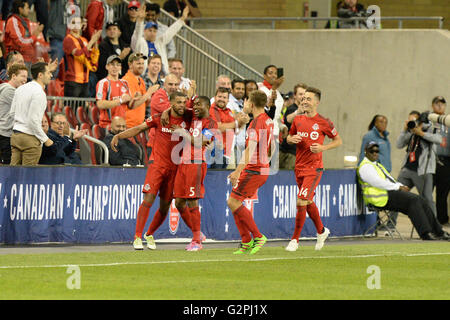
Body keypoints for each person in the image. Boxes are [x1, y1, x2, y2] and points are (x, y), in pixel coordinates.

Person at [110, 92, 192, 250]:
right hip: (157, 165)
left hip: (175, 168)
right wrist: (119, 135)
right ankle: (137, 237)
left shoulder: (187, 119)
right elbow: (140, 128)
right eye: (179, 102)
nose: (182, 105)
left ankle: (149, 234)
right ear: (171, 103)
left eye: (184, 102)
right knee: (148, 199)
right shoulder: (160, 117)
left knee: (165, 206)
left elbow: (199, 111)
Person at [285, 87, 342, 251]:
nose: (304, 101)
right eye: (303, 99)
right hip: (299, 167)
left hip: (314, 168)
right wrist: (291, 139)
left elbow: (338, 140)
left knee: (301, 200)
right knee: (308, 201)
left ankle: (294, 240)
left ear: (317, 102)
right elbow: (289, 137)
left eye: (308, 99)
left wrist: (323, 148)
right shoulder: (298, 120)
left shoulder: (324, 122)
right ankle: (322, 231)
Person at [357, 141, 449, 241]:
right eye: (372, 151)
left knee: (420, 200)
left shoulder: (376, 165)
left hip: (387, 195)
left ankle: (438, 232)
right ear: (366, 151)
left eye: (377, 151)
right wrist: (398, 187)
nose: (375, 153)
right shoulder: (365, 167)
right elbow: (377, 183)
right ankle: (426, 233)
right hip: (381, 199)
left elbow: (388, 180)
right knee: (413, 200)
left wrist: (400, 186)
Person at [227, 90, 275, 254]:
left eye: (246, 102)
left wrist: (237, 171)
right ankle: (246, 241)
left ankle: (257, 236)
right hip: (261, 168)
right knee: (234, 201)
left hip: (254, 169)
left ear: (252, 104)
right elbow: (271, 147)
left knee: (233, 202)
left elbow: (250, 149)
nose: (245, 105)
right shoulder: (268, 120)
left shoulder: (255, 123)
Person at [172, 96, 217, 251]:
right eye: (195, 104)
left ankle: (197, 241)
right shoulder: (193, 118)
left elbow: (200, 142)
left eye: (199, 104)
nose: (195, 107)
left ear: (207, 106)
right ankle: (198, 234)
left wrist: (182, 133)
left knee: (192, 201)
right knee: (178, 202)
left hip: (196, 164)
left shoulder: (211, 123)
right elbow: (181, 107)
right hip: (183, 164)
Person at [394, 110, 442, 219]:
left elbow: (439, 139)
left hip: (423, 171)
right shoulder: (410, 131)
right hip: (407, 169)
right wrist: (405, 130)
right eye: (410, 120)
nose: (412, 122)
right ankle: (390, 225)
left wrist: (421, 133)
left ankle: (434, 228)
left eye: (414, 120)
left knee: (427, 199)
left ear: (420, 120)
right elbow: (399, 144)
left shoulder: (430, 127)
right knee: (396, 194)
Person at [9, 62, 54, 165]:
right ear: (40, 75)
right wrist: (46, 140)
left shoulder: (20, 89)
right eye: (48, 73)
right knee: (27, 178)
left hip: (16, 136)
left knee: (12, 176)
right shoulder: (39, 93)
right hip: (30, 139)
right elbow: (33, 121)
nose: (51, 75)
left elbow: (12, 114)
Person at [131, 4, 189, 76]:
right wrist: (139, 21)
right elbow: (137, 33)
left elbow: (170, 32)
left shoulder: (159, 43)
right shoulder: (140, 43)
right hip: (144, 77)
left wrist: (182, 19)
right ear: (144, 31)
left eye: (154, 31)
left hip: (160, 78)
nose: (152, 33)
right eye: (150, 30)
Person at [96, 55, 150, 129]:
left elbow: (130, 106)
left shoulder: (124, 83)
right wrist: (120, 100)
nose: (115, 67)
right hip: (108, 126)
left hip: (122, 126)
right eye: (112, 64)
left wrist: (134, 99)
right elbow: (100, 104)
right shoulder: (103, 83)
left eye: (118, 65)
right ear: (107, 67)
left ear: (120, 67)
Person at [209, 87, 247, 169]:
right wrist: (237, 122)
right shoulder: (213, 110)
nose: (221, 99)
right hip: (216, 152)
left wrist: (243, 121)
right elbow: (218, 127)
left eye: (224, 97)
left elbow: (236, 130)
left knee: (222, 179)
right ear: (214, 97)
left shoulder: (229, 111)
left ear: (228, 100)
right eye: (219, 97)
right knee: (215, 179)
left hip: (228, 153)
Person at [63, 16, 101, 98]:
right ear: (69, 25)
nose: (76, 25)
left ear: (81, 25)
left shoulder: (84, 40)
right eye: (73, 23)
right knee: (71, 109)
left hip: (85, 81)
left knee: (82, 110)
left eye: (78, 23)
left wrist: (95, 43)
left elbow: (92, 60)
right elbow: (78, 54)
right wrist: (92, 41)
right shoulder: (68, 40)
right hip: (72, 81)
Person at [122, 52, 160, 129]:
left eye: (142, 64)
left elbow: (145, 103)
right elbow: (133, 105)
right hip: (128, 125)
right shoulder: (126, 80)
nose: (141, 66)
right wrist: (149, 93)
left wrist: (150, 97)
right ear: (130, 65)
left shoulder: (141, 80)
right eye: (138, 63)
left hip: (139, 125)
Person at [0, 63, 28, 164]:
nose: (25, 80)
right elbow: (25, 109)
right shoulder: (9, 91)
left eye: (26, 76)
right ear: (13, 76)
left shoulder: (10, 90)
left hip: (6, 134)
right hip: (4, 134)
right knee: (5, 166)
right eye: (23, 76)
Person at [4, 0, 44, 66]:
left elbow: (25, 40)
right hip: (17, 60)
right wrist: (34, 35)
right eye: (27, 8)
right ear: (20, 9)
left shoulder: (23, 21)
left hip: (26, 59)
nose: (29, 10)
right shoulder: (13, 21)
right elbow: (20, 42)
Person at [279, 83, 307, 169]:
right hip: (285, 151)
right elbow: (288, 119)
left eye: (304, 94)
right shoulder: (292, 109)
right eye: (300, 94)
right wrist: (297, 113)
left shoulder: (307, 111)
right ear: (294, 96)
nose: (302, 96)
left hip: (296, 152)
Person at [431, 96, 450, 225]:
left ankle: (441, 220)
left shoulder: (448, 121)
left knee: (443, 192)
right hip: (431, 160)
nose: (439, 106)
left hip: (446, 161)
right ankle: (428, 218)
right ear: (432, 105)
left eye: (442, 104)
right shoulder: (429, 119)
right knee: (427, 192)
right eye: (437, 104)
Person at [258, 64, 286, 137]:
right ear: (264, 76)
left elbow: (276, 116)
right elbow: (265, 107)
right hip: (262, 130)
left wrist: (282, 126)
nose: (274, 75)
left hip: (275, 132)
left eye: (276, 73)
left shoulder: (278, 93)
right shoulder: (258, 87)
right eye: (270, 73)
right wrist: (273, 88)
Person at [227, 79, 248, 164]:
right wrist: (244, 112)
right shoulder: (227, 101)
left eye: (243, 89)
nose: (241, 91)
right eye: (238, 88)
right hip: (230, 144)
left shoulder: (244, 103)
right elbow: (232, 119)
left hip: (241, 144)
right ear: (231, 89)